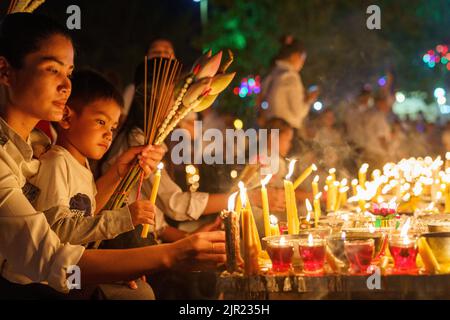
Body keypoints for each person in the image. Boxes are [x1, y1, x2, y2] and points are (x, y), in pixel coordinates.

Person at [0, 13, 225, 298]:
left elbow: (80, 212)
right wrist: (170, 255)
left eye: (68, 73)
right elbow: (51, 255)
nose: (66, 85)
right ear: (5, 72)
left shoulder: (37, 146)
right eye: (52, 70)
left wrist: (120, 170)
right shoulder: (28, 158)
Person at [259, 35, 318, 131]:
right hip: (287, 131)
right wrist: (309, 100)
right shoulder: (291, 77)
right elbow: (298, 111)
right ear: (294, 56)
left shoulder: (272, 74)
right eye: (303, 56)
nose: (303, 62)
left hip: (270, 128)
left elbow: (260, 101)